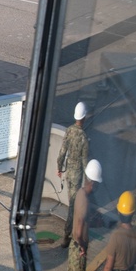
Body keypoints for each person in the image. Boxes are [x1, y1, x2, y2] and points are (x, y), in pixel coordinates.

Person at [56, 101, 90, 247]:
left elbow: (62, 152)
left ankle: (68, 233)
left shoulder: (69, 130)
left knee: (71, 203)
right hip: (77, 175)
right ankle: (67, 235)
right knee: (73, 207)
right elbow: (85, 162)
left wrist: (59, 168)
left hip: (68, 172)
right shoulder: (84, 137)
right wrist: (89, 181)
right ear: (84, 117)